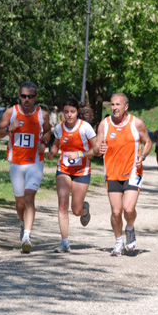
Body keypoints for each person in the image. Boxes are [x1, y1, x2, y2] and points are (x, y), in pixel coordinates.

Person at [0, 82, 51, 254]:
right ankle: (22, 222)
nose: (27, 99)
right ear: (19, 96)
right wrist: (10, 129)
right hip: (16, 163)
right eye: (24, 96)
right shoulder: (11, 112)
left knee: (29, 198)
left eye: (30, 96)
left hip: (35, 162)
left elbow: (47, 131)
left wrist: (44, 143)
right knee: (20, 204)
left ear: (36, 98)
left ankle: (27, 236)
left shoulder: (43, 114)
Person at [95, 93, 152, 256]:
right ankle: (118, 242)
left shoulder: (137, 123)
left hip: (133, 171)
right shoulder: (104, 124)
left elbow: (148, 142)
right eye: (112, 105)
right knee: (116, 211)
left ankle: (130, 228)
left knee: (128, 208)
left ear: (126, 107)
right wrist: (99, 150)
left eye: (117, 105)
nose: (114, 108)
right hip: (112, 172)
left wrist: (143, 156)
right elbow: (97, 146)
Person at [45, 98, 97, 253]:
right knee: (62, 204)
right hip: (64, 169)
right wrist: (52, 153)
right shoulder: (60, 128)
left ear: (77, 112)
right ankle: (64, 242)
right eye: (66, 112)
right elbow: (56, 144)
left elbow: (96, 150)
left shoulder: (85, 128)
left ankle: (84, 210)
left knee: (76, 210)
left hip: (82, 171)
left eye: (72, 112)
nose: (69, 115)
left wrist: (80, 154)